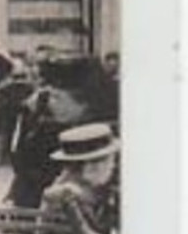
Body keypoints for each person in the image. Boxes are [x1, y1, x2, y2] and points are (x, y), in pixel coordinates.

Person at [8, 54, 115, 207]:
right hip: (40, 204)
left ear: (83, 103)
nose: (49, 103)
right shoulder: (41, 126)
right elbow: (22, 165)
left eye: (57, 97)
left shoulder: (101, 132)